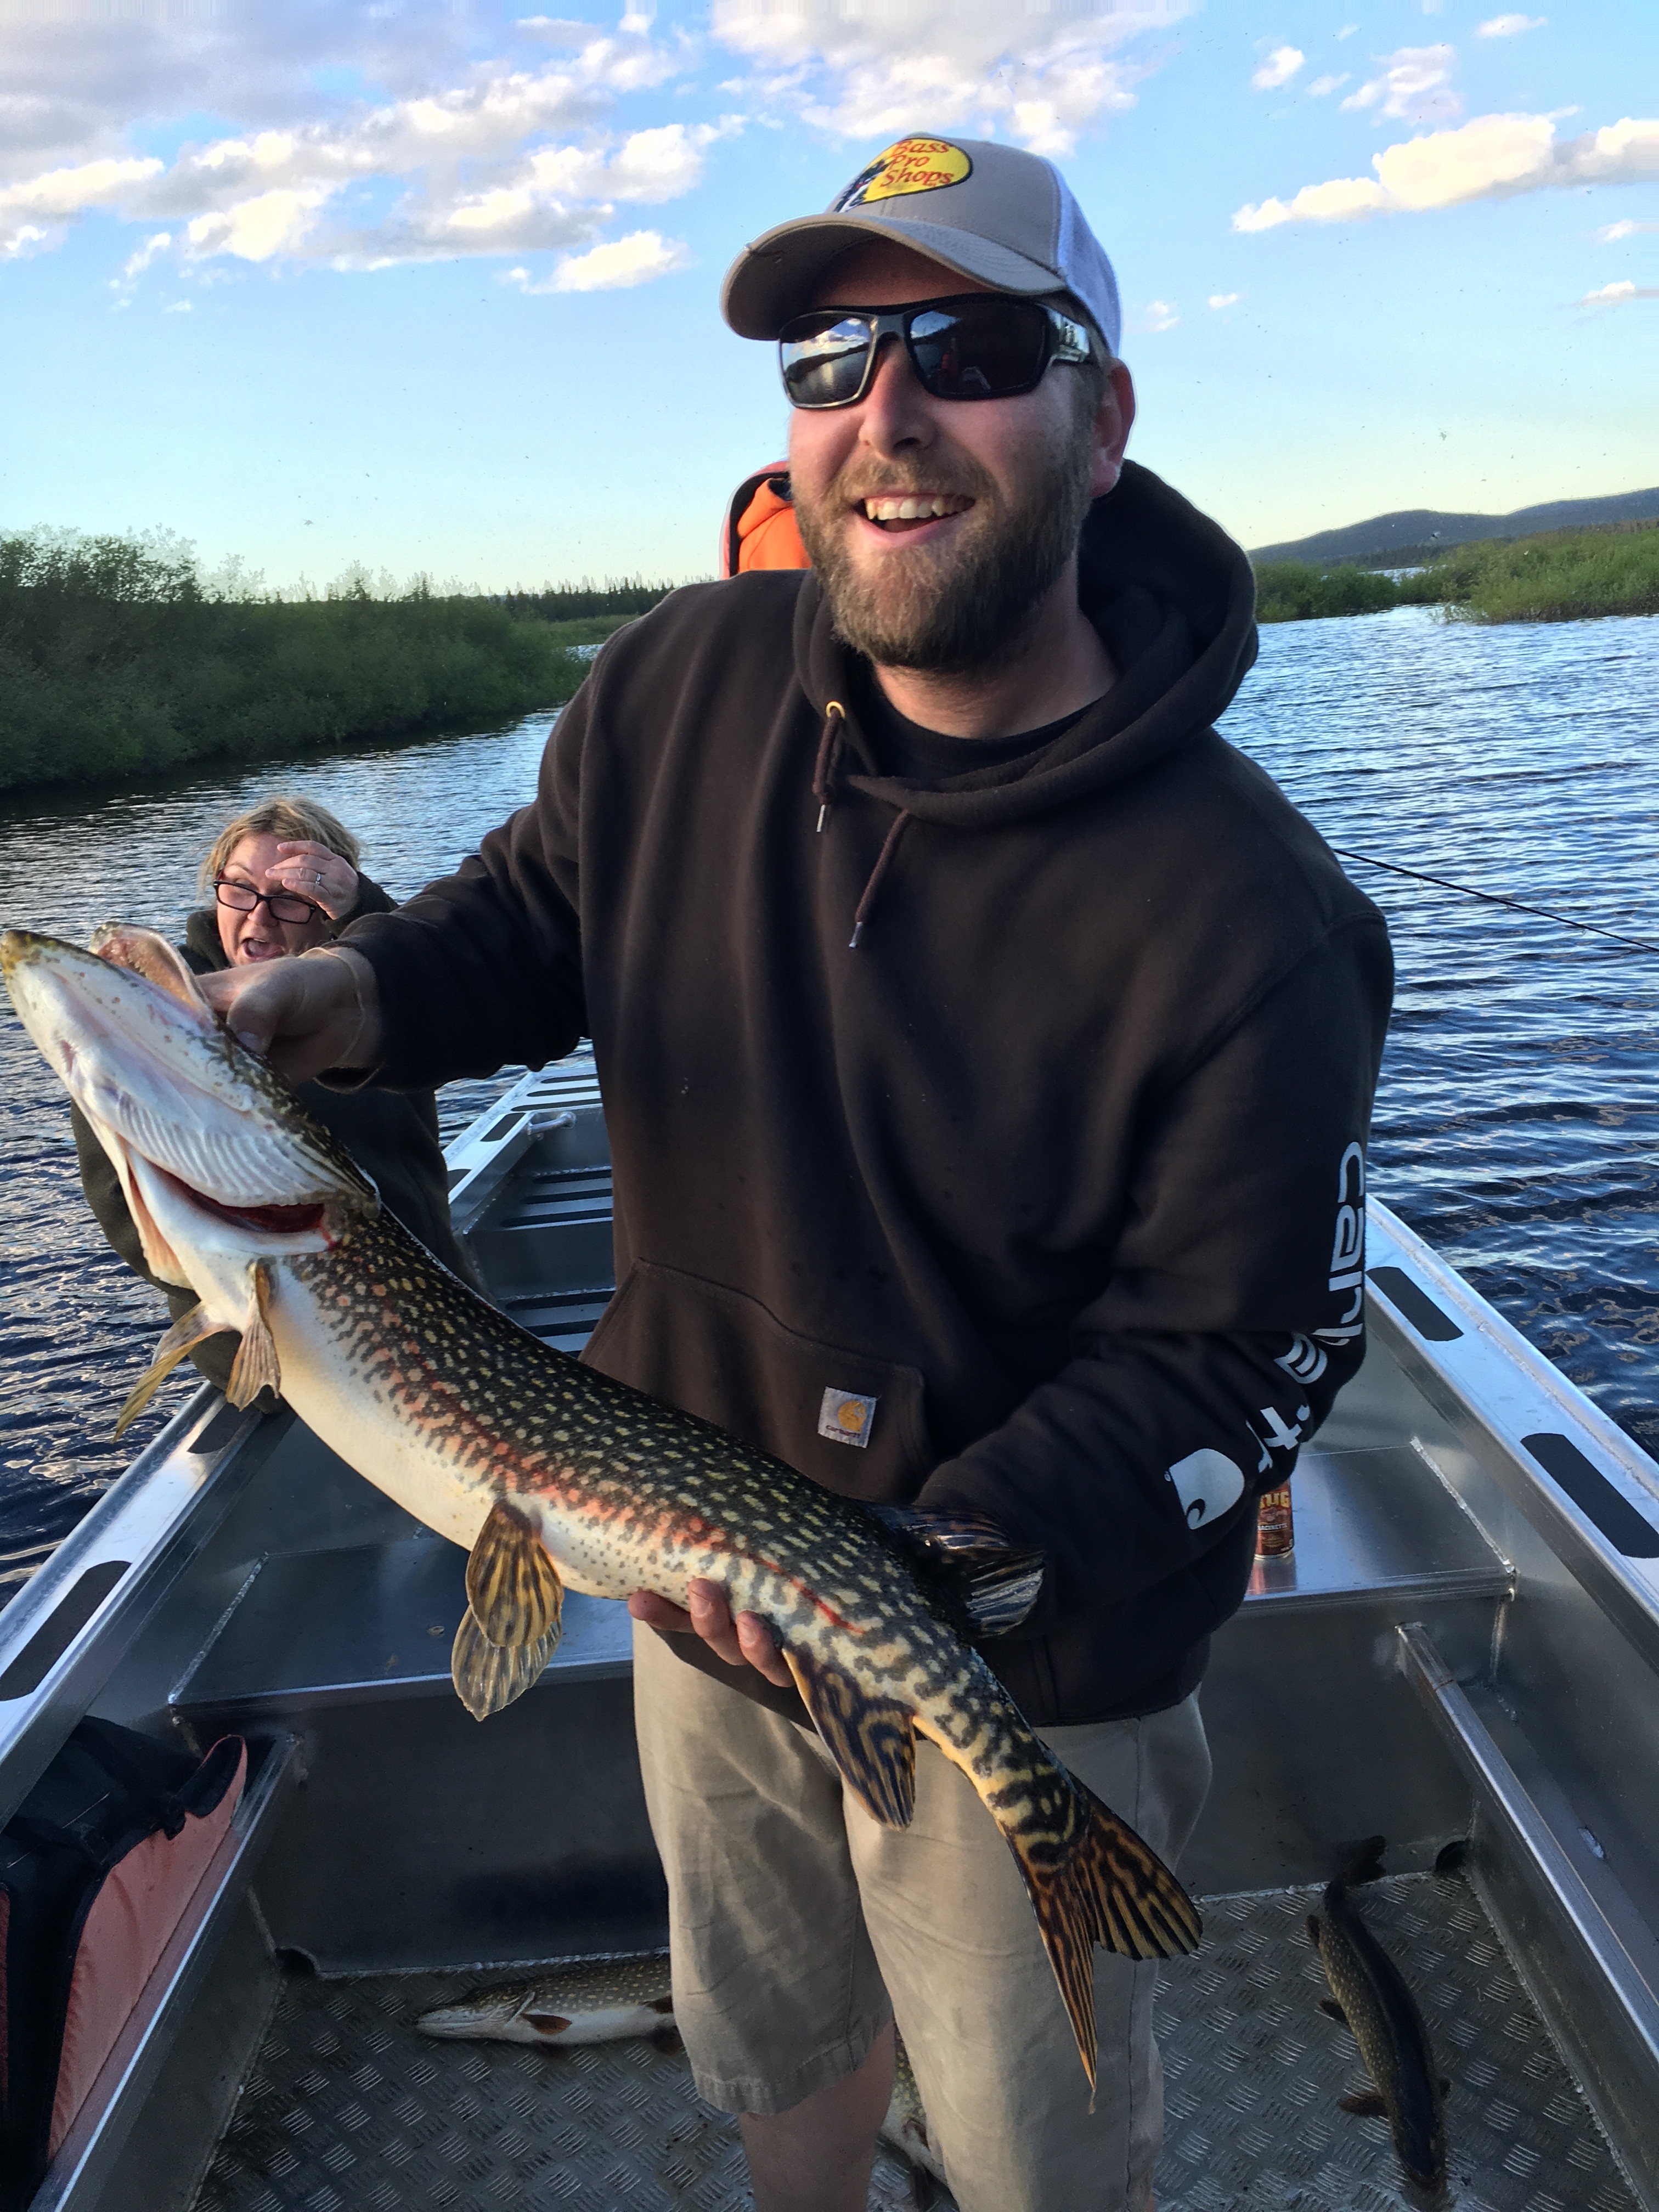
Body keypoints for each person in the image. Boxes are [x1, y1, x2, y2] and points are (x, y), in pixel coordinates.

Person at [199, 137, 1393, 2212]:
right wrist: (354, 991)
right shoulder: (676, 685)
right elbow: (524, 920)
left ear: (1098, 417)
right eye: (831, 356)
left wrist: (936, 1568)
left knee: (1036, 2141)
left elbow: (1238, 1356)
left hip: (1025, 1635)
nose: (882, 411)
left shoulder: (1248, 917)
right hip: (676, 1552)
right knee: (771, 2033)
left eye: (969, 346)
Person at [76, 795, 473, 1406]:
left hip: (432, 1307)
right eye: (238, 890)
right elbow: (128, 1210)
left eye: (291, 898)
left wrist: (365, 908)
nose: (259, 921)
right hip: (272, 1353)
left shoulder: (377, 1002)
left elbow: (442, 993)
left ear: (330, 909)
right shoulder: (162, 1017)